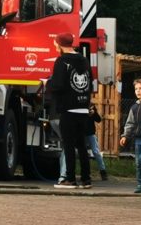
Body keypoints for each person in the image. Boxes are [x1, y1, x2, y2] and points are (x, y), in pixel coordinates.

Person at [46, 31, 92, 189]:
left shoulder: (61, 61)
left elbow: (58, 85)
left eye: (55, 43)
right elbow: (89, 83)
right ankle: (86, 179)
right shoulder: (84, 60)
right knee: (82, 145)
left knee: (68, 145)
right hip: (83, 108)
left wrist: (47, 84)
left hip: (68, 108)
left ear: (59, 44)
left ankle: (70, 179)